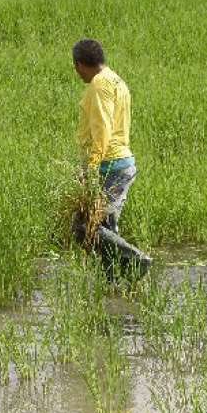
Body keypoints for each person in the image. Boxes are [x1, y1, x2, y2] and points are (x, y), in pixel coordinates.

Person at [71, 38, 151, 280]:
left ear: (79, 64)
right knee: (104, 228)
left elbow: (102, 128)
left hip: (110, 165)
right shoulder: (117, 81)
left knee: (85, 227)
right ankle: (114, 281)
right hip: (117, 162)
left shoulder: (99, 84)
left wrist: (92, 168)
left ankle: (136, 260)